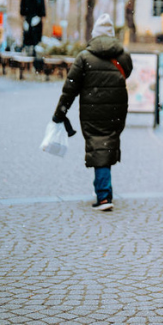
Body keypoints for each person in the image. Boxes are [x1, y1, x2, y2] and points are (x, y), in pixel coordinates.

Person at [52, 13, 133, 211]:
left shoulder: (84, 58)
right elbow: (128, 73)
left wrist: (59, 114)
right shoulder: (122, 55)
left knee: (99, 145)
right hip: (117, 107)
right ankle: (106, 191)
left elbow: (70, 88)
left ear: (94, 34)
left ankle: (104, 197)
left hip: (92, 108)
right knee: (107, 143)